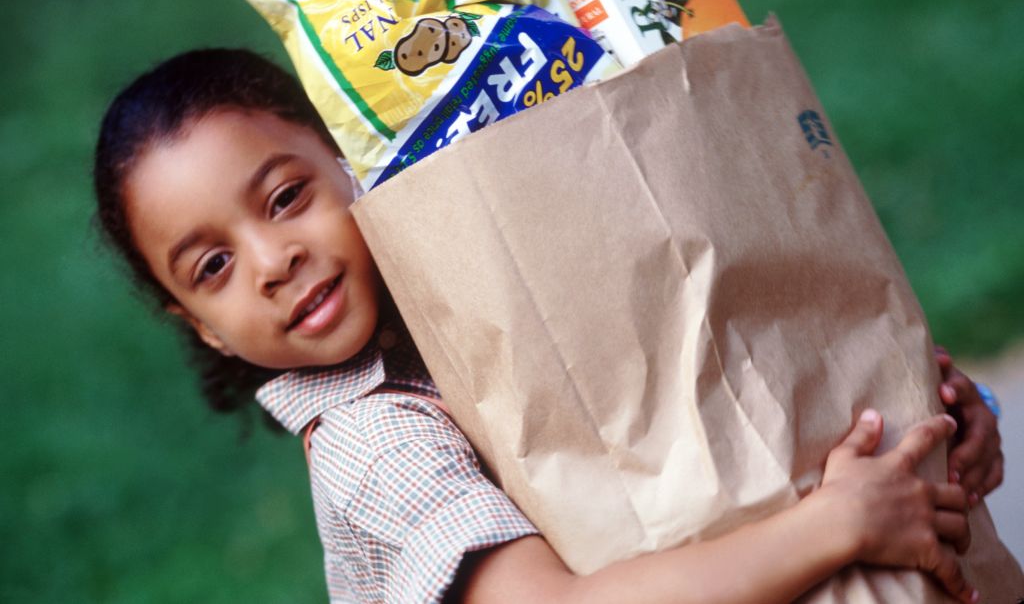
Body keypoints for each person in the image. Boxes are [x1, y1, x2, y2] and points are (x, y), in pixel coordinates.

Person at [93, 48, 1003, 604]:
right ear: (201, 327)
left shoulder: (493, 292)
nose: (271, 260)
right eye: (212, 266)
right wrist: (835, 526)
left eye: (286, 198)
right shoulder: (371, 438)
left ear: (349, 161)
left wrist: (935, 424)